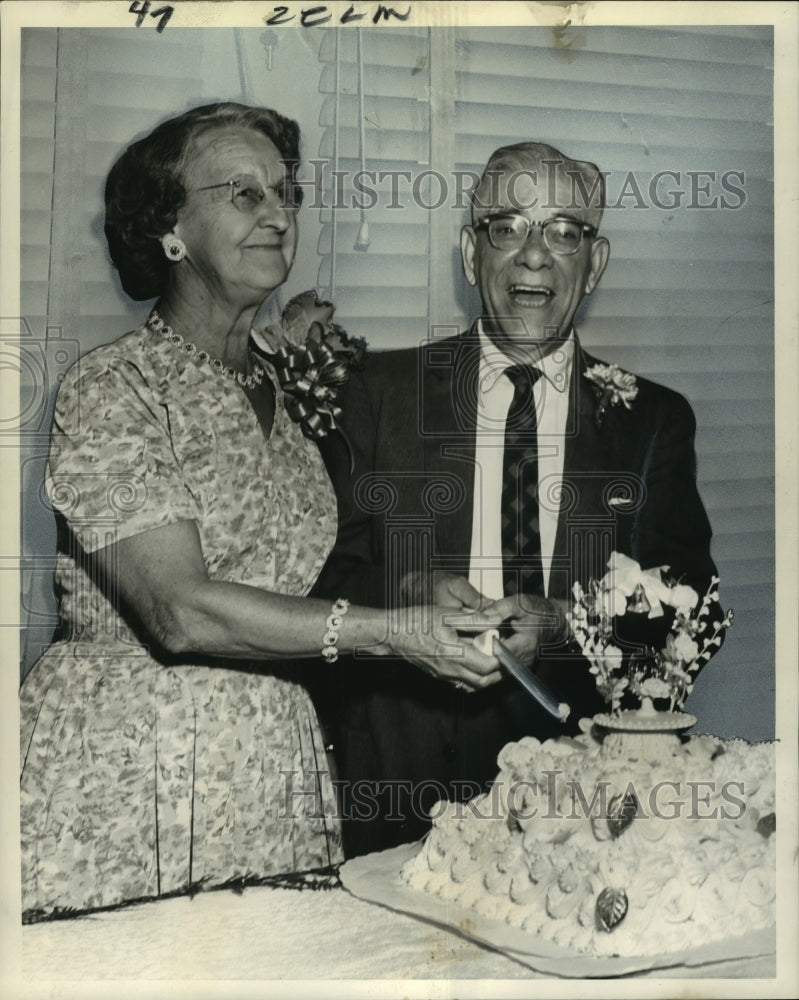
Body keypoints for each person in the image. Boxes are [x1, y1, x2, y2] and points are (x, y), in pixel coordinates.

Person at [18, 102, 505, 921]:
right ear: (169, 231)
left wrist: (417, 598)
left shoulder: (282, 388)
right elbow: (176, 609)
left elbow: (298, 573)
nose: (278, 213)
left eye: (286, 192)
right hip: (133, 760)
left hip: (274, 757)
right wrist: (389, 633)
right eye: (242, 194)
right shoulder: (116, 387)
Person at [313, 141, 721, 856]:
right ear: (472, 254)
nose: (534, 255)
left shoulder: (651, 419)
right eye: (507, 227)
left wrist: (566, 624)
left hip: (581, 783)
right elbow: (320, 582)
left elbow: (690, 607)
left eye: (564, 231)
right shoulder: (374, 393)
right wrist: (409, 586)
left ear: (593, 264)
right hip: (400, 770)